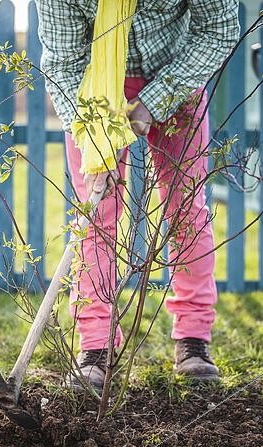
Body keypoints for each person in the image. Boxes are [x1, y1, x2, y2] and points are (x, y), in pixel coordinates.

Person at [36, 0, 240, 391]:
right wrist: (93, 137)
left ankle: (193, 340)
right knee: (97, 216)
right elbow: (62, 63)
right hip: (95, 90)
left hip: (178, 75)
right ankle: (96, 348)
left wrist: (156, 99)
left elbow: (219, 28)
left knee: (186, 209)